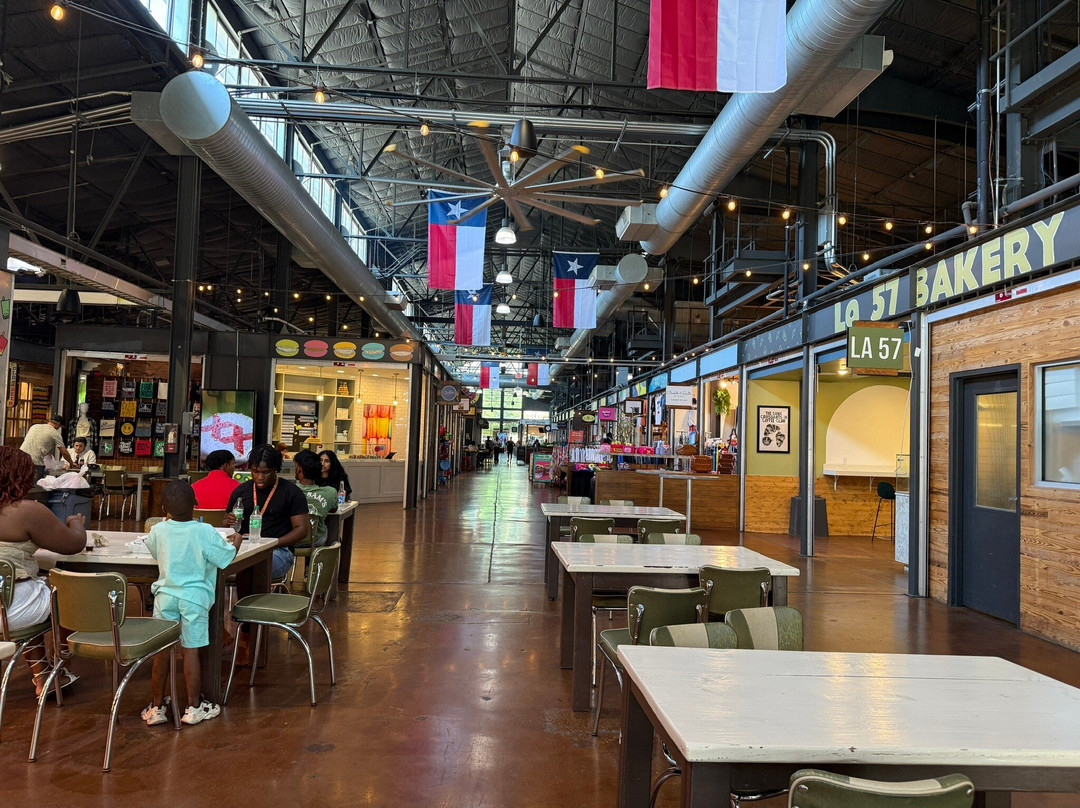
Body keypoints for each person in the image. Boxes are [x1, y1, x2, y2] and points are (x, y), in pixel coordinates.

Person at [141, 481, 241, 726]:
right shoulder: (204, 531)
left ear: (164, 509)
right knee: (191, 650)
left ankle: (157, 707)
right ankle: (194, 707)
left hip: (165, 597)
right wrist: (237, 540)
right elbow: (225, 557)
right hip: (195, 599)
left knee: (161, 651)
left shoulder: (158, 530)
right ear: (195, 505)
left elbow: (155, 552)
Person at [0, 446, 86, 696]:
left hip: (9, 602)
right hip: (11, 610)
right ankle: (62, 658)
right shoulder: (27, 511)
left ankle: (43, 675)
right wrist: (75, 523)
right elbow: (73, 544)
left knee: (30, 590)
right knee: (65, 592)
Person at [223, 444, 310, 666]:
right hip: (243, 549)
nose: (260, 477)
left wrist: (274, 543)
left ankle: (248, 633)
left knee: (251, 569)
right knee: (209, 569)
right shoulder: (241, 492)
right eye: (255, 471)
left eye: (266, 472)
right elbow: (228, 523)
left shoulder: (291, 492)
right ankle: (218, 628)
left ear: (276, 470)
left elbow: (302, 529)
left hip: (278, 552)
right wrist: (229, 521)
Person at [293, 449, 337, 550]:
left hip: (291, 539)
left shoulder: (288, 491)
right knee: (328, 529)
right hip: (316, 540)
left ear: (299, 469)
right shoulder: (330, 492)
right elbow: (333, 509)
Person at [19, 414, 73, 479]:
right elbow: (64, 452)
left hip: (20, 459)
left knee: (20, 482)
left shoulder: (34, 427)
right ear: (58, 424)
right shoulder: (55, 433)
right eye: (60, 426)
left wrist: (46, 451)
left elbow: (35, 442)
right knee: (36, 484)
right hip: (35, 463)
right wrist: (71, 463)